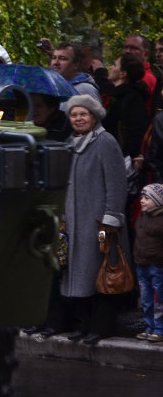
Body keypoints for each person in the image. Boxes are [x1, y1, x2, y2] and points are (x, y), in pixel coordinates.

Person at [55, 95, 131, 345]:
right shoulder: (70, 143)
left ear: (94, 116)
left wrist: (111, 218)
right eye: (74, 114)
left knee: (101, 274)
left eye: (83, 114)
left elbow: (117, 183)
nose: (78, 118)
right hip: (74, 223)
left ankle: (101, 327)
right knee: (78, 277)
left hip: (99, 224)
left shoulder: (105, 142)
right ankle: (83, 326)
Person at [133, 183, 163, 341]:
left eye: (147, 198)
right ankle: (149, 326)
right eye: (141, 198)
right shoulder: (142, 217)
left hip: (157, 266)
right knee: (146, 298)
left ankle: (160, 329)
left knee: (159, 300)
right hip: (141, 264)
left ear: (157, 201)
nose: (142, 201)